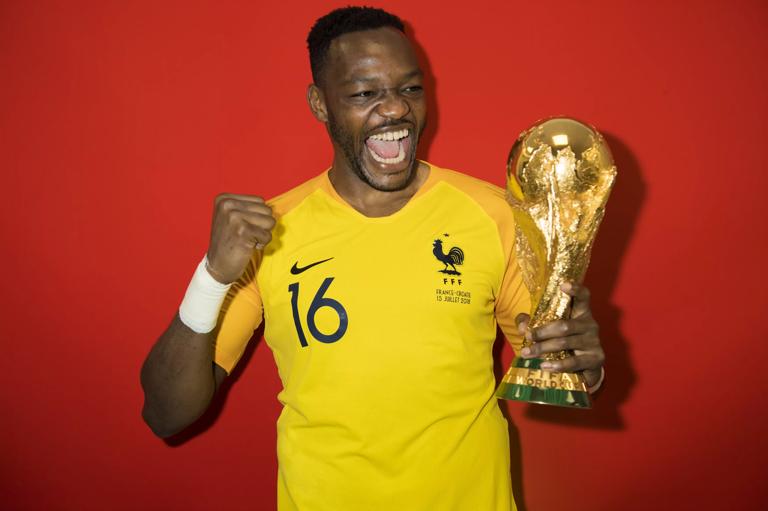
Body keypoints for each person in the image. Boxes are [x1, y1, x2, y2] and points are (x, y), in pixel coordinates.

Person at [140, 6, 605, 510]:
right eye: (365, 94)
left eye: (410, 89)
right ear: (320, 104)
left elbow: (561, 372)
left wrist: (583, 362)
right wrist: (211, 277)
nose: (395, 111)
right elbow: (166, 413)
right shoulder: (269, 233)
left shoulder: (494, 215)